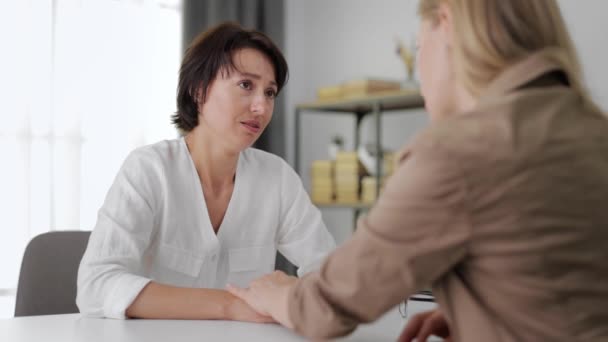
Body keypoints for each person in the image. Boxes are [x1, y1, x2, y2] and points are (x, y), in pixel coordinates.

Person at [227, 0, 608, 341]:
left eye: (418, 45)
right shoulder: (593, 128)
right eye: (245, 85)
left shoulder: (456, 153)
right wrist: (486, 313)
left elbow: (326, 307)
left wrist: (275, 292)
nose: (260, 106)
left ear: (446, 23)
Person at [76, 22, 336, 322]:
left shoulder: (276, 178)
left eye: (270, 92)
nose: (261, 107)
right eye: (246, 85)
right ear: (198, 89)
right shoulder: (149, 170)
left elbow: (329, 273)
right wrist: (231, 305)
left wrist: (293, 293)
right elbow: (95, 286)